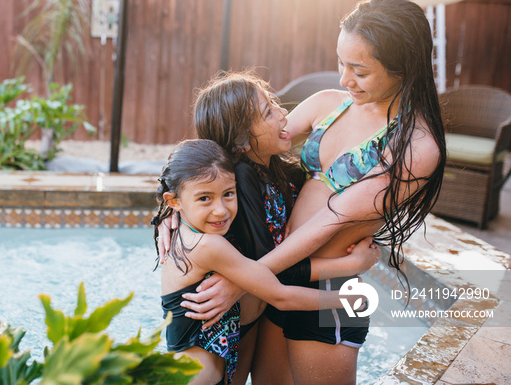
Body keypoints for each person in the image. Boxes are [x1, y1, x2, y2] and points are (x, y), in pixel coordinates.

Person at [161, 0, 446, 384]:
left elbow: (331, 221)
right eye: (340, 63)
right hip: (277, 279)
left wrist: (242, 278)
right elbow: (239, 144)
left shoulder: (414, 148)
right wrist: (175, 212)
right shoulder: (330, 104)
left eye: (359, 70)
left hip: (323, 290)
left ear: (403, 68)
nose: (344, 79)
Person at [154, 139, 379, 385]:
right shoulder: (208, 245)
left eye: (228, 194)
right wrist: (347, 300)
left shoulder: (189, 233)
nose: (221, 210)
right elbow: (281, 296)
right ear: (173, 201)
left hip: (215, 366)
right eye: (205, 199)